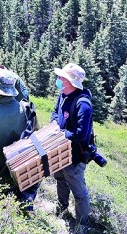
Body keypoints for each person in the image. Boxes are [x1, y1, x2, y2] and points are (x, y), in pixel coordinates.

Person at [0, 69, 40, 212]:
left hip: (2, 172)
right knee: (24, 208)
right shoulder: (26, 108)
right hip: (27, 171)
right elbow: (37, 136)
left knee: (0, 207)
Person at [50, 63, 93, 231]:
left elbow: (81, 134)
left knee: (79, 192)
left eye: (62, 77)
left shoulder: (83, 104)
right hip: (59, 149)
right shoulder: (63, 94)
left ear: (70, 81)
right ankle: (62, 208)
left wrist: (60, 133)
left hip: (74, 155)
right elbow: (55, 112)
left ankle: (82, 224)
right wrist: (54, 125)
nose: (59, 80)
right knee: (60, 178)